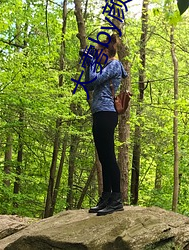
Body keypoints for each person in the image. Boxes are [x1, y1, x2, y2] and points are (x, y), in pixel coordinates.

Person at [85, 34, 128, 216]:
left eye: (98, 51)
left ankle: (116, 199)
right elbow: (90, 84)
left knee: (109, 157)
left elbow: (94, 80)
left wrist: (90, 63)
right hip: (99, 113)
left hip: (107, 113)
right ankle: (107, 197)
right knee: (103, 157)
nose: (96, 54)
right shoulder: (106, 66)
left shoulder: (114, 65)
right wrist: (89, 64)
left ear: (105, 50)